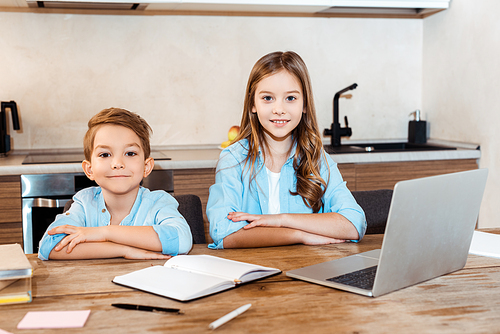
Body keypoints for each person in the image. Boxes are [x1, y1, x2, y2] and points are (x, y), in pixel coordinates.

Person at [207, 51, 366, 249]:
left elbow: (354, 223)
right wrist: (299, 235)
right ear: (252, 104)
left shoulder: (316, 158)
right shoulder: (233, 159)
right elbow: (223, 233)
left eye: (290, 98)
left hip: (306, 269)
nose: (279, 109)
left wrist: (281, 220)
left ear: (305, 104)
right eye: (267, 98)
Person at [38, 108, 193, 260]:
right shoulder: (85, 203)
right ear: (89, 169)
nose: (117, 164)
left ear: (146, 167)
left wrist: (104, 233)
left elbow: (182, 240)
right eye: (105, 154)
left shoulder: (158, 203)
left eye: (130, 153)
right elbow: (49, 246)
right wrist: (124, 250)